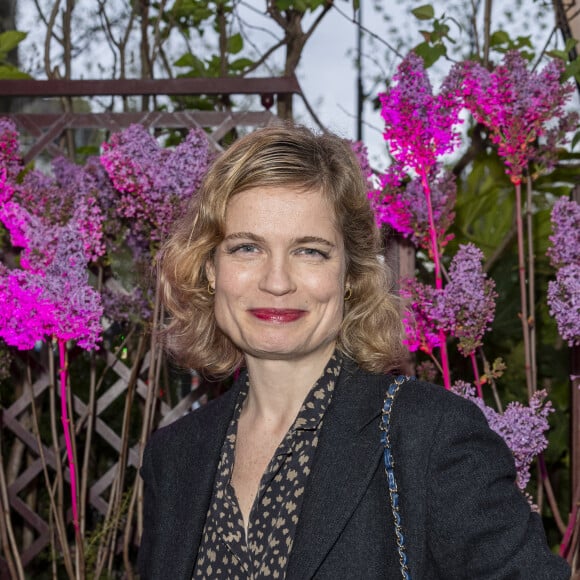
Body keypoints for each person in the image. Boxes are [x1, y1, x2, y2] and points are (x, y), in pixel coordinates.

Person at [137, 124, 570, 579]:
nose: (277, 281)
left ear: (349, 274)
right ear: (210, 269)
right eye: (247, 248)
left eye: (310, 251)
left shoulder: (433, 438)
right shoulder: (175, 457)